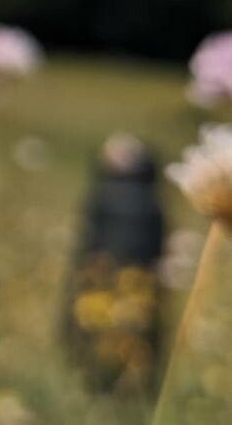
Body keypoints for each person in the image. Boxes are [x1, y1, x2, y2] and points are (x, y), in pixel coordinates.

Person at [63, 133, 165, 395]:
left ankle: (101, 384)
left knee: (103, 343)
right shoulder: (153, 201)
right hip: (130, 287)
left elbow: (86, 242)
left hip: (108, 283)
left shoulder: (101, 196)